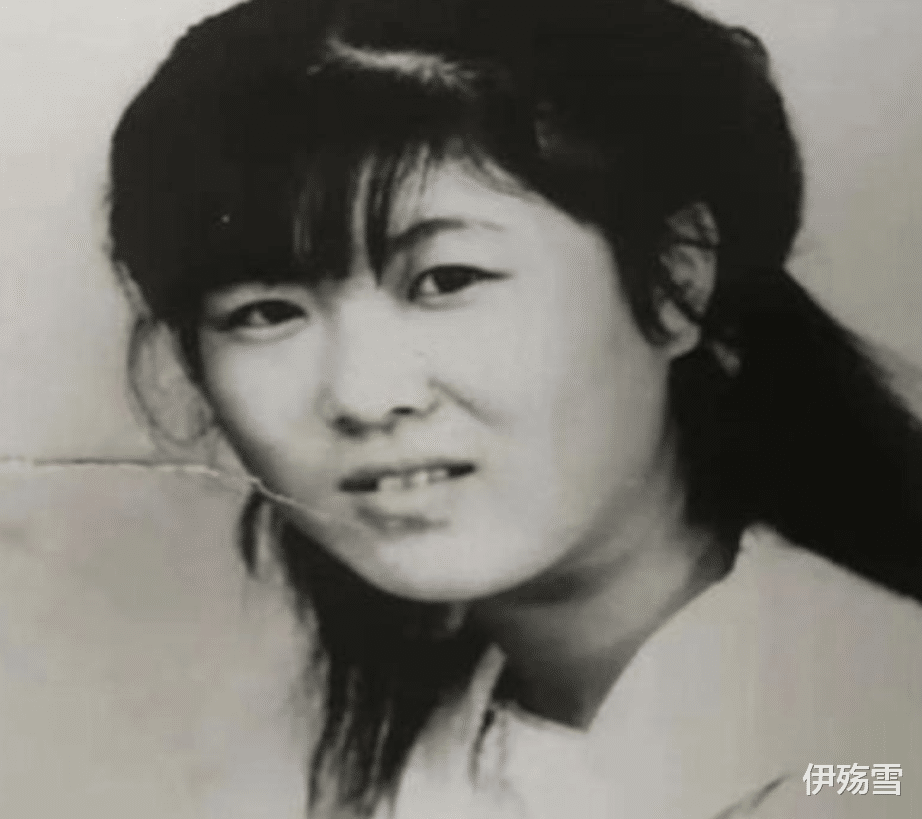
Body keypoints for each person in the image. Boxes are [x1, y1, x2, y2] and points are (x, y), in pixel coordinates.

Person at [107, 0, 922, 816]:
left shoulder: (868, 751)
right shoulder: (364, 754)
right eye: (265, 312)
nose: (363, 395)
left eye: (447, 280)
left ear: (675, 281)